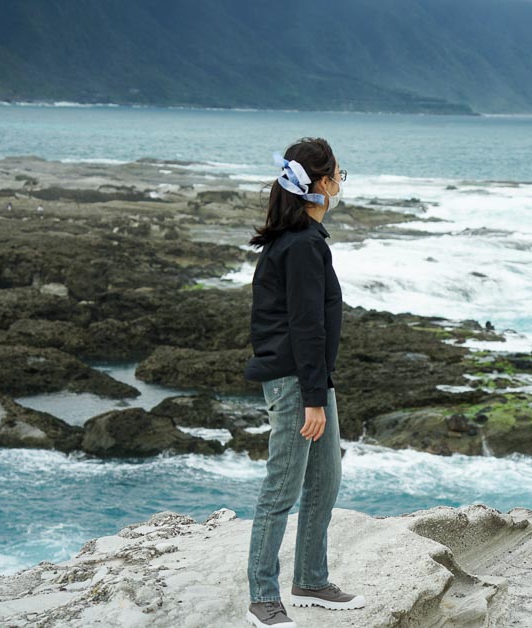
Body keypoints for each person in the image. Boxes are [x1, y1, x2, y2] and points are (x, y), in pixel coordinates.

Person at [243, 137, 365, 628]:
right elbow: (305, 327)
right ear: (319, 182)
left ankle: (311, 580)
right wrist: (314, 398)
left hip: (313, 379)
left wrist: (322, 389)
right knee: (282, 488)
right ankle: (262, 596)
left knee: (324, 482)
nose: (342, 179)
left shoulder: (305, 242)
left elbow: (312, 327)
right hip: (296, 383)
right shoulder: (299, 248)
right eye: (338, 171)